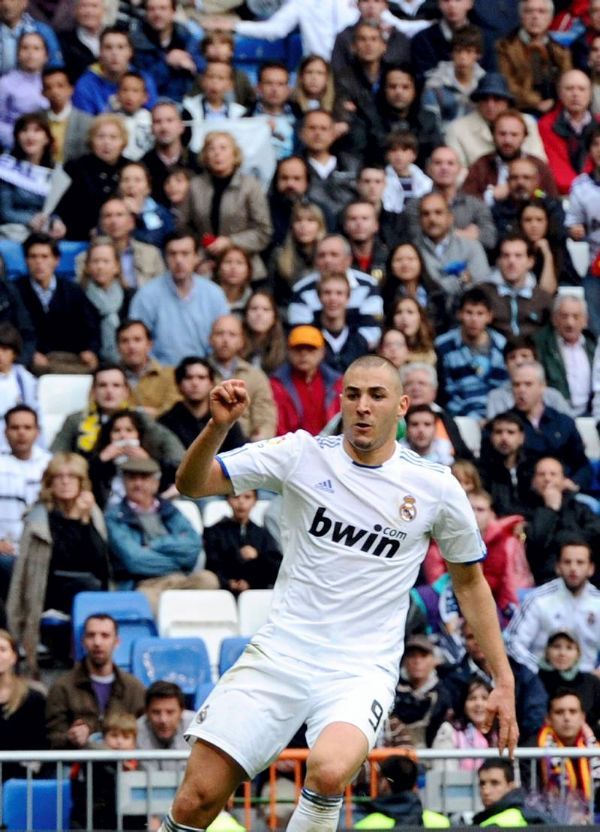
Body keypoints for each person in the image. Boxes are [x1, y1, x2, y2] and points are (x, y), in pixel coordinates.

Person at [162, 355, 518, 832]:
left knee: (329, 770)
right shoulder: (301, 454)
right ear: (341, 400)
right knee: (196, 799)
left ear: (402, 406)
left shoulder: (435, 487)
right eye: (352, 395)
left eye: (376, 396)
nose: (363, 407)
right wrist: (217, 427)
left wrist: (503, 679)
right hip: (281, 653)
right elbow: (190, 484)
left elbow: (470, 583)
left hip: (359, 667)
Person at [7, 453, 110, 676]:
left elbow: (101, 562)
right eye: (59, 477)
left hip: (87, 588)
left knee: (90, 586)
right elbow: (29, 570)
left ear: (82, 482)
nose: (65, 482)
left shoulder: (92, 514)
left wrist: (84, 522)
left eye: (72, 476)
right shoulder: (38, 518)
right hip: (46, 589)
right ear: (49, 483)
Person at [105, 457, 209, 596]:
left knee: (208, 580)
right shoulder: (115, 515)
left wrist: (154, 545)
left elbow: (194, 545)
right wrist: (178, 563)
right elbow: (135, 560)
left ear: (156, 482)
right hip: (144, 583)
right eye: (132, 478)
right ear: (124, 482)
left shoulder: (169, 509)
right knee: (148, 602)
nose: (138, 484)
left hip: (180, 579)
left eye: (144, 478)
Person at [177, 131, 272, 283]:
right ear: (205, 156)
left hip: (245, 267)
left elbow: (263, 231)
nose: (217, 154)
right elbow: (184, 226)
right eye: (211, 149)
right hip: (205, 267)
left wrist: (231, 242)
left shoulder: (250, 186)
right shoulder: (195, 186)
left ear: (234, 155)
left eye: (223, 148)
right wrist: (200, 255)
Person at [202, 0, 427, 62]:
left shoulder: (361, 1)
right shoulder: (303, 2)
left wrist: (435, 25)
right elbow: (275, 30)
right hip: (317, 72)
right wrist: (233, 25)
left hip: (352, 71)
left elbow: (401, 27)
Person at [51, 364, 184, 467]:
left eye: (116, 385)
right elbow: (55, 456)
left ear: (126, 391)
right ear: (93, 391)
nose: (109, 391)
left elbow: (175, 452)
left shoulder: (140, 418)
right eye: (103, 385)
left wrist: (148, 461)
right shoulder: (75, 420)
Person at [45, 613, 145, 748]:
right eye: (91, 635)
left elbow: (144, 733)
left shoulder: (134, 688)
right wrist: (70, 737)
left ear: (117, 642)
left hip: (123, 765)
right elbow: (52, 736)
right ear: (82, 641)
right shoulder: (63, 687)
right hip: (78, 764)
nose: (97, 642)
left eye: (105, 635)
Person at [129, 231, 229, 365]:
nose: (179, 260)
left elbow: (224, 338)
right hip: (160, 375)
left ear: (196, 257)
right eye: (172, 254)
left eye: (185, 254)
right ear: (165, 257)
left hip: (206, 374)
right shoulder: (146, 295)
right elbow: (136, 341)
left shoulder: (214, 294)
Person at [440, 621, 547, 745]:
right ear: (464, 641)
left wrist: (512, 741)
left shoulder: (522, 674)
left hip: (517, 747)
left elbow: (535, 714)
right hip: (467, 749)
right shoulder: (453, 678)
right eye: (470, 637)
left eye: (482, 635)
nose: (477, 641)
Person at [505, 540, 600, 673]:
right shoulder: (538, 599)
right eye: (567, 562)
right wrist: (539, 667)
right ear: (557, 567)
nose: (573, 568)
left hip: (586, 680)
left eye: (580, 562)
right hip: (542, 677)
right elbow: (512, 643)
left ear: (591, 568)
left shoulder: (598, 602)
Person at [16, 233, 100, 375]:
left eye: (44, 257)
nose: (39, 262)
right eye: (33, 257)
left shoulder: (72, 290)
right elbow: (10, 330)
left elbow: (91, 326)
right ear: (26, 260)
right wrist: (29, 353)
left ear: (56, 260)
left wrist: (90, 350)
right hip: (30, 363)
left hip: (68, 359)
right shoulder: (15, 291)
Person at [287, 235, 384, 349]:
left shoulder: (368, 285)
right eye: (321, 255)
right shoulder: (301, 290)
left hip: (359, 357)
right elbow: (300, 332)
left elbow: (372, 330)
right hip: (315, 355)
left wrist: (346, 355)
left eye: (334, 255)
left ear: (348, 259)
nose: (327, 260)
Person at [509, 361, 591, 491]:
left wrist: (572, 483)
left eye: (528, 384)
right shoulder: (503, 427)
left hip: (566, 493)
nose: (521, 390)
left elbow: (583, 465)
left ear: (542, 386)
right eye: (516, 385)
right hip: (523, 496)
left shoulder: (564, 422)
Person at [403, 145, 497, 253]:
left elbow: (490, 240)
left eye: (450, 163)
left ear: (460, 169)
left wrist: (435, 233)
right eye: (438, 163)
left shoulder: (476, 205)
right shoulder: (415, 205)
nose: (444, 168)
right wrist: (464, 234)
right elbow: (417, 241)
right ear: (429, 169)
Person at [445, 71, 547, 168]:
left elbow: (539, 163)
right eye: (484, 99)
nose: (490, 105)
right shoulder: (457, 129)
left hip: (523, 184)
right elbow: (456, 173)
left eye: (497, 99)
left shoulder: (527, 122)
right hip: (476, 184)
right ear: (477, 101)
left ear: (507, 101)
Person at [0, 404, 51, 600]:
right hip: (5, 551)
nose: (21, 433)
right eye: (15, 428)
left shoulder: (51, 466)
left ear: (37, 432)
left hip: (41, 549)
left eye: (27, 428)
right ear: (5, 432)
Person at [523, 458, 600, 586]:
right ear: (533, 481)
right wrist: (550, 509)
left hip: (586, 579)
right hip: (545, 580)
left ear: (563, 480)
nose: (547, 479)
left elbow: (596, 532)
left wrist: (562, 538)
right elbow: (535, 543)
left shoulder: (579, 507)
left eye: (553, 474)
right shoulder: (525, 509)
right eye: (541, 474)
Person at [435, 288, 508, 419]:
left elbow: (504, 387)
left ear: (489, 316)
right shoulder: (443, 345)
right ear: (459, 314)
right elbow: (446, 392)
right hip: (459, 416)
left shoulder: (502, 345)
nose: (474, 319)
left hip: (498, 416)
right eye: (469, 313)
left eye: (480, 314)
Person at [55, 113, 129, 241]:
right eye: (100, 137)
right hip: (79, 236)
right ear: (91, 140)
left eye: (113, 137)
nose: (107, 142)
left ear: (123, 142)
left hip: (121, 236)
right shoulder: (75, 167)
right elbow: (62, 207)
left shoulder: (131, 168)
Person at [532, 689, 600, 823]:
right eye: (559, 712)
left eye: (573, 711)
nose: (567, 718)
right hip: (549, 821)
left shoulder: (596, 747)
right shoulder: (534, 749)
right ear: (548, 719)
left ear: (582, 717)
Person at [462, 109, 558, 203]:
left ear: (524, 137)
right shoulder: (481, 165)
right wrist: (490, 196)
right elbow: (465, 204)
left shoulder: (538, 166)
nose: (508, 140)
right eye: (502, 134)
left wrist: (534, 194)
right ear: (493, 135)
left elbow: (552, 201)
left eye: (514, 135)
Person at [496, 0, 572, 117]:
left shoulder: (560, 50)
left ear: (550, 18)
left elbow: (567, 82)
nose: (535, 17)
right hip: (518, 112)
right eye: (529, 11)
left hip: (555, 112)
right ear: (521, 17)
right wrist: (536, 102)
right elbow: (507, 84)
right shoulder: (505, 47)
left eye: (541, 12)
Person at [208, 315, 277, 442]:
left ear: (241, 341)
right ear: (210, 339)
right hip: (206, 442)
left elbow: (265, 417)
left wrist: (259, 441)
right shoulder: (197, 374)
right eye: (219, 334)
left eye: (232, 335)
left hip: (244, 446)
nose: (225, 339)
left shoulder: (255, 376)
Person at [414, 192, 490, 304]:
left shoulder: (472, 247)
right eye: (426, 214)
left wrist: (439, 285)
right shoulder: (413, 251)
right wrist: (460, 281)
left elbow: (481, 287)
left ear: (450, 218)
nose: (432, 219)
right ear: (420, 220)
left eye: (438, 213)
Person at [75, 197, 165, 290]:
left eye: (119, 215)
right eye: (108, 216)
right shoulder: (85, 258)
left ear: (131, 222)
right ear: (101, 223)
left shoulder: (151, 254)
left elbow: (162, 290)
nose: (114, 221)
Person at [158, 356, 246, 452]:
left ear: (211, 383)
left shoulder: (225, 418)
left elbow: (239, 452)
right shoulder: (166, 422)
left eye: (201, 377)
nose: (195, 383)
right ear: (179, 384)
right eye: (188, 377)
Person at [204, 490, 282, 595]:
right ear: (228, 500)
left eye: (247, 497)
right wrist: (227, 582)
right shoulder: (214, 532)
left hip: (256, 594)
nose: (241, 502)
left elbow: (275, 566)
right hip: (222, 593)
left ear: (255, 501)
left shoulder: (262, 534)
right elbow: (212, 564)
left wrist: (257, 557)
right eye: (236, 497)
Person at [270, 326, 343, 436]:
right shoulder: (275, 385)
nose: (304, 354)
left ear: (322, 352)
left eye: (310, 349)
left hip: (330, 446)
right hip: (290, 448)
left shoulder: (338, 384)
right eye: (298, 349)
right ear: (288, 351)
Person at [72, 26, 157, 116]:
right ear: (100, 52)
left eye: (120, 47)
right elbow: (84, 125)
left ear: (130, 52)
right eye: (108, 47)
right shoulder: (85, 85)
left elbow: (154, 117)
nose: (114, 53)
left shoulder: (144, 81)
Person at [534, 295, 596, 417]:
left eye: (576, 317)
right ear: (554, 319)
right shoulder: (542, 346)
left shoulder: (593, 347)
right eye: (564, 316)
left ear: (585, 321)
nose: (570, 323)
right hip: (555, 414)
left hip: (590, 412)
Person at [538, 70, 598, 195]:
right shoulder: (546, 125)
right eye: (569, 88)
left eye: (581, 89)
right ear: (559, 93)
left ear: (590, 94)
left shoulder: (598, 123)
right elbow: (556, 167)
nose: (575, 94)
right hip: (563, 194)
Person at [486, 336, 572, 421]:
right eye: (512, 357)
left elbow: (568, 427)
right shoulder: (496, 397)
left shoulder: (553, 397)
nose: (519, 361)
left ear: (536, 361)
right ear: (505, 365)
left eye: (524, 356)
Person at [483, 234, 552, 339]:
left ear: (530, 262)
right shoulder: (483, 294)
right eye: (506, 256)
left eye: (518, 256)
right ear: (498, 261)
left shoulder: (542, 297)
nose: (511, 261)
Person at [354, 754, 450, 829]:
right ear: (414, 784)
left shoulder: (367, 825)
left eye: (379, 778)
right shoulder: (442, 823)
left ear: (385, 784)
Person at [0, 628, 47, 781]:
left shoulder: (33, 698)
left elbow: (40, 743)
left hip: (22, 780)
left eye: (2, 649)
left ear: (14, 657)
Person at [131, 0, 198, 101]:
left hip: (185, 100)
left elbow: (201, 67)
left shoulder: (187, 37)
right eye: (152, 9)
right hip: (148, 102)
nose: (157, 14)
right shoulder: (136, 42)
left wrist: (192, 65)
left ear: (173, 11)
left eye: (163, 8)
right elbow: (143, 80)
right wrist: (167, 62)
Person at [538, 630, 600, 736]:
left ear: (578, 653)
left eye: (569, 648)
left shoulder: (591, 683)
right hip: (543, 744)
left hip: (588, 746)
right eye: (556, 647)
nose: (562, 653)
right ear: (547, 652)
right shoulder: (535, 681)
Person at [116, 319, 179, 418]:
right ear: (118, 347)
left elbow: (174, 412)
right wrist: (141, 412)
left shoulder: (171, 375)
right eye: (124, 341)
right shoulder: (108, 377)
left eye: (137, 340)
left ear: (149, 345)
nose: (131, 346)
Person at [141, 101, 201, 205]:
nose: (164, 127)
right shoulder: (143, 166)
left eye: (170, 120)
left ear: (181, 126)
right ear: (151, 129)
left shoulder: (198, 163)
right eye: (157, 121)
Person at [431, 679, 498, 770]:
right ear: (463, 704)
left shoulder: (498, 733)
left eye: (484, 698)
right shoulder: (448, 731)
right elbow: (443, 773)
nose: (478, 704)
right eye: (472, 698)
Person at [0, 32, 49, 152]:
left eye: (36, 48)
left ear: (46, 55)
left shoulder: (53, 82)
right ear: (18, 54)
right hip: (14, 147)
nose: (30, 53)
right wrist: (19, 141)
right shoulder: (6, 83)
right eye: (25, 48)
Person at [137, 681, 196, 773]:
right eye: (156, 712)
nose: (163, 720)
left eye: (170, 712)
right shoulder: (134, 731)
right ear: (146, 712)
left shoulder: (197, 728)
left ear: (181, 711)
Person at [473, 757, 552, 826]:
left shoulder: (507, 821)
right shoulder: (486, 819)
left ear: (511, 786)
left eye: (495, 783)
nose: (486, 791)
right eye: (482, 783)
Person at [317, 272, 369, 373]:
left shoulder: (359, 341)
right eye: (327, 293)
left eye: (339, 293)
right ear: (319, 297)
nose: (333, 298)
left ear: (348, 298)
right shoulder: (309, 336)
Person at [41, 67, 92, 165]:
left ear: (71, 89)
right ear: (43, 93)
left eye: (60, 86)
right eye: (48, 87)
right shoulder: (37, 119)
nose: (54, 91)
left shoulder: (87, 121)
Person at [0, 0, 62, 76]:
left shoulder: (42, 31)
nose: (6, 4)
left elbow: (56, 67)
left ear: (24, 3)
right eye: (1, 1)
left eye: (12, 0)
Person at [241, 291, 287, 377]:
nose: (259, 314)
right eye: (254, 308)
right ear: (246, 315)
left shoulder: (285, 349)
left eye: (266, 309)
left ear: (274, 316)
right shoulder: (236, 345)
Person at [387, 297, 436, 365]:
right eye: (398, 312)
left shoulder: (433, 352)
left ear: (420, 317)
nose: (404, 317)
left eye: (410, 312)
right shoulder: (385, 352)